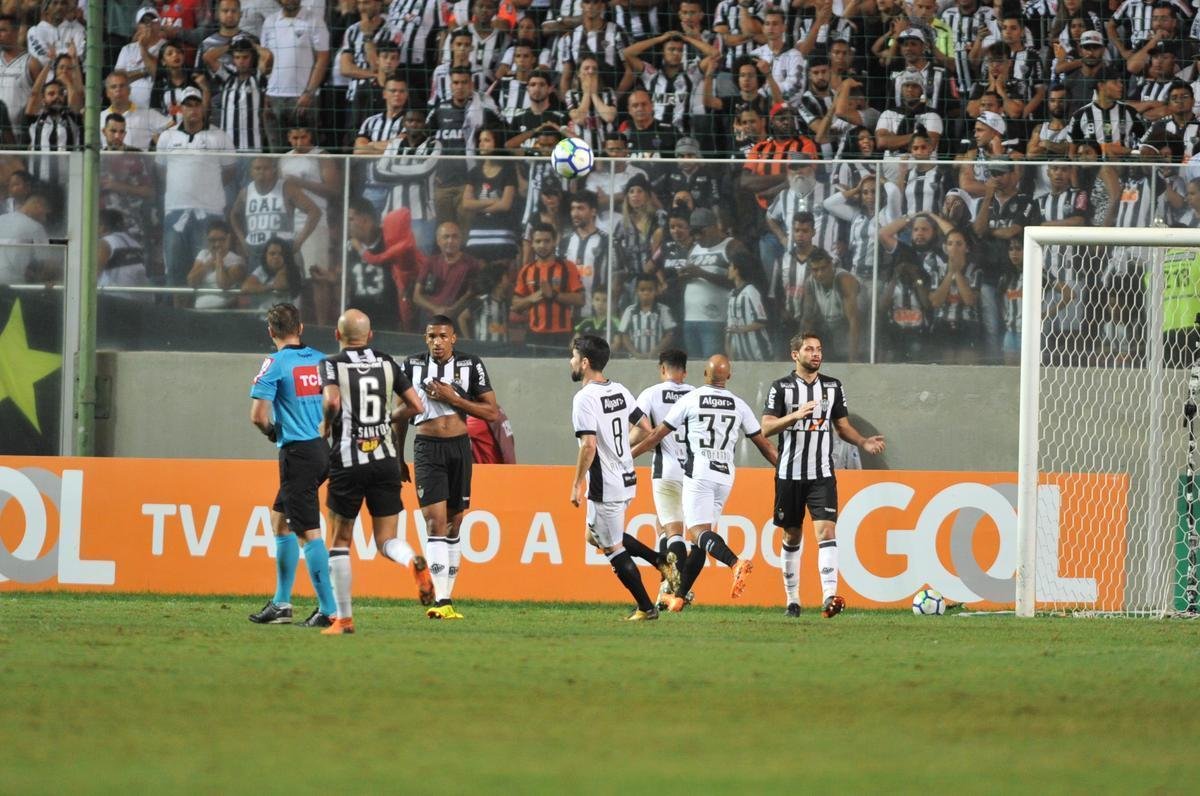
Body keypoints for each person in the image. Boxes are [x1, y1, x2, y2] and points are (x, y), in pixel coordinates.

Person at [631, 354, 778, 612]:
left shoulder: (691, 399)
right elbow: (764, 444)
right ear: (729, 377)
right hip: (725, 476)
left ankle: (734, 563)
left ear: (705, 375)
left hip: (699, 473)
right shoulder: (739, 404)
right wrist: (785, 468)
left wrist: (628, 456)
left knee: (698, 533)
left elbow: (656, 435)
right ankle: (679, 595)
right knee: (701, 538)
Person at [318, 309, 433, 635]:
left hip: (348, 459)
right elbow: (416, 406)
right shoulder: (386, 361)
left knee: (340, 541)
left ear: (337, 335)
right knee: (386, 540)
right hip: (384, 459)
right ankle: (412, 560)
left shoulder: (331, 363)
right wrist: (384, 420)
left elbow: (332, 401)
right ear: (370, 336)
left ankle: (344, 619)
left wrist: (326, 424)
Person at [761, 332, 886, 619]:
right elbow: (766, 427)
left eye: (819, 349)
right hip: (789, 474)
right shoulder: (781, 388)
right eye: (809, 349)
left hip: (822, 473)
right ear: (795, 354)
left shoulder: (832, 386)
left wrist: (863, 442)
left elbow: (841, 426)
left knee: (826, 531)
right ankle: (793, 599)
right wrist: (795, 415)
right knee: (792, 535)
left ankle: (829, 596)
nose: (816, 354)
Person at [398, 315, 501, 619]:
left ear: (453, 338)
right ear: (425, 338)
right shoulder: (411, 365)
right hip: (427, 447)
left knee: (455, 524)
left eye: (443, 336)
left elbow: (491, 412)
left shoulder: (472, 365)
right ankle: (442, 602)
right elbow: (402, 414)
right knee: (435, 523)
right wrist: (396, 456)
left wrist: (453, 398)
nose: (437, 342)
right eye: (431, 337)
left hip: (459, 447)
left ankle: (446, 598)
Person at [247, 302, 338, 628]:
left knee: (307, 531)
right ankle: (282, 604)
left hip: (297, 453)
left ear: (271, 332)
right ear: (300, 328)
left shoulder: (274, 363)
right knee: (280, 521)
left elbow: (258, 416)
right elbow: (335, 402)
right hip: (321, 450)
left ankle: (329, 610)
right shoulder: (321, 359)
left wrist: (273, 432)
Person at [568, 333, 661, 621]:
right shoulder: (619, 390)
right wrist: (623, 453)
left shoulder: (584, 398)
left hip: (604, 484)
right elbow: (646, 426)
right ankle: (658, 560)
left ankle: (646, 607)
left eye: (572, 357)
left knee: (611, 547)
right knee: (592, 536)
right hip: (627, 478)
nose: (570, 362)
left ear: (584, 363)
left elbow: (589, 445)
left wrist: (576, 483)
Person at [634, 348, 695, 609]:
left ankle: (670, 586)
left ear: (662, 369)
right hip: (695, 471)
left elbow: (640, 430)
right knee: (665, 525)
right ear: (685, 371)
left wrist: (625, 452)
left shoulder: (651, 393)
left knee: (673, 531)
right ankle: (676, 586)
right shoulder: (696, 393)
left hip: (666, 471)